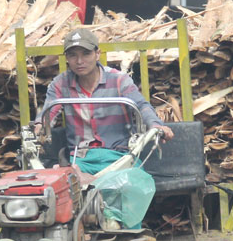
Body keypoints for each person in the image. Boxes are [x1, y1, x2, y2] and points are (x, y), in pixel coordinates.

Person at [35, 28, 174, 182]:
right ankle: (86, 180)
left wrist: (156, 125)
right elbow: (48, 114)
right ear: (67, 58)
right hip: (81, 159)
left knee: (135, 184)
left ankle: (90, 180)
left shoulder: (119, 80)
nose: (79, 61)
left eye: (86, 53)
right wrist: (38, 128)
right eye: (73, 55)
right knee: (65, 185)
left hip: (120, 157)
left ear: (97, 54)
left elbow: (141, 106)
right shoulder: (60, 84)